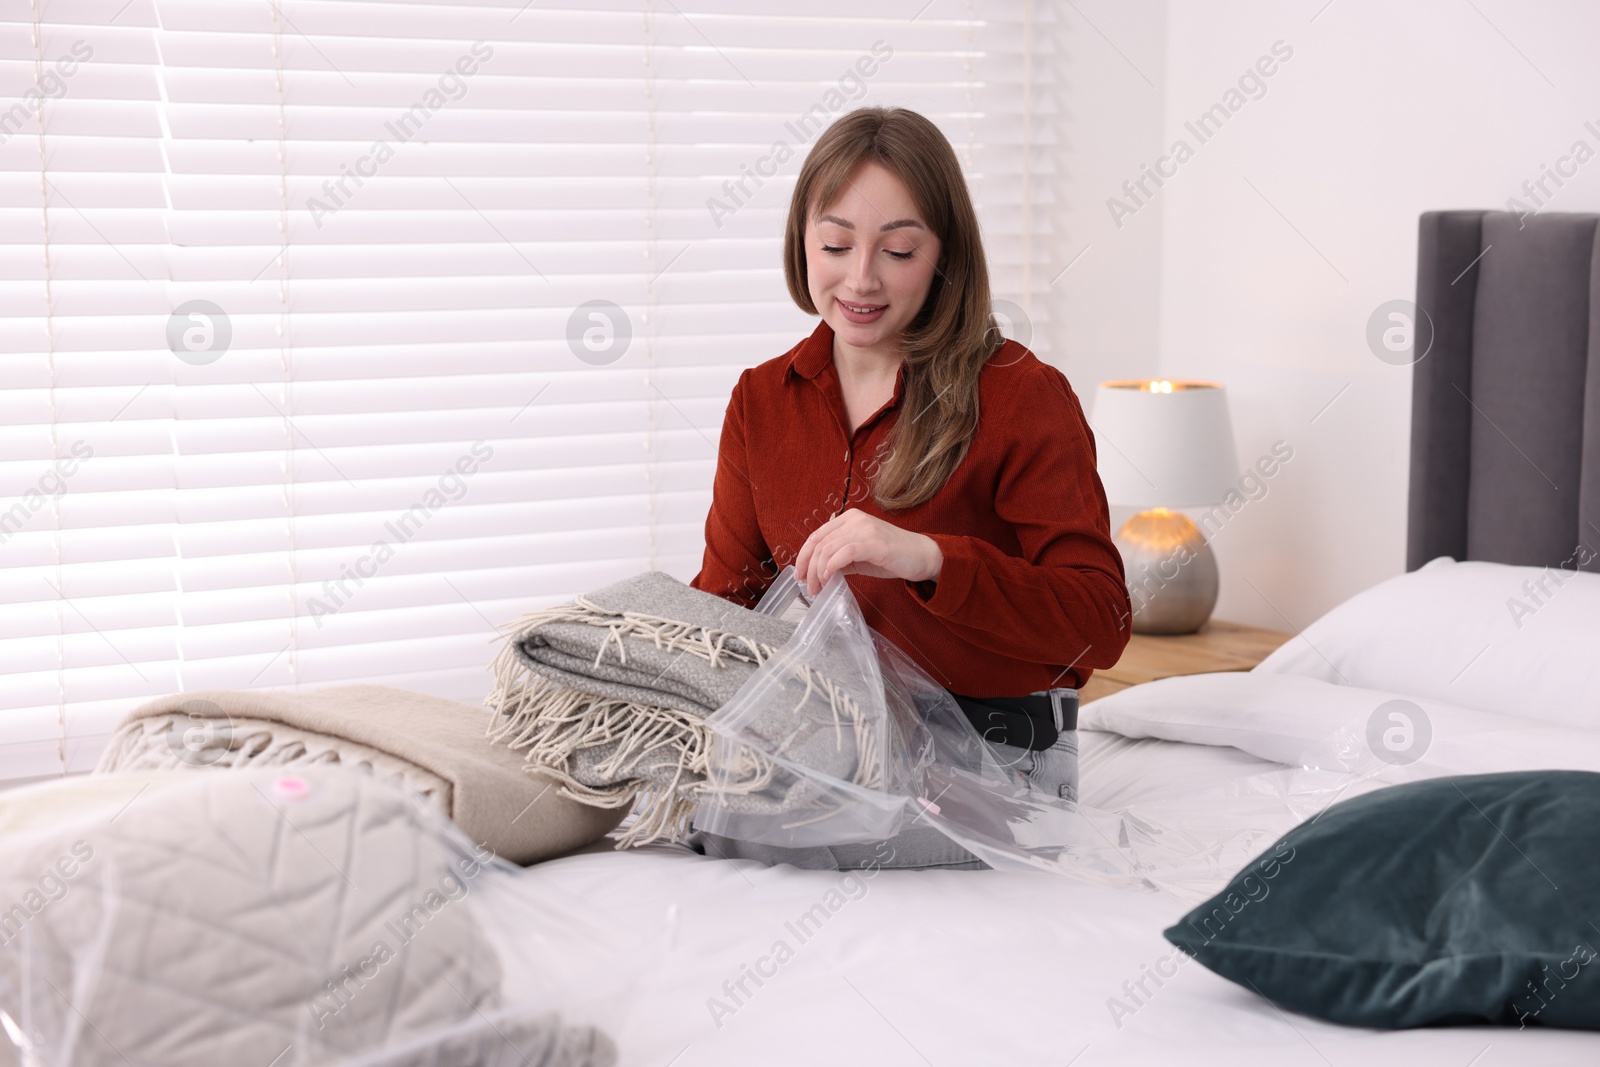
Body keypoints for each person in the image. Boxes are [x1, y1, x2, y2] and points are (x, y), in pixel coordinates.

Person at [686, 106, 1132, 870]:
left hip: (996, 764)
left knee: (739, 840)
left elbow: (1102, 620)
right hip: (830, 747)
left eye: (897, 250)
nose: (860, 278)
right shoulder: (761, 400)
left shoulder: (1022, 394)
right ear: (803, 243)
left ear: (943, 256)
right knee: (664, 808)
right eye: (834, 244)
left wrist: (928, 559)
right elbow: (726, 607)